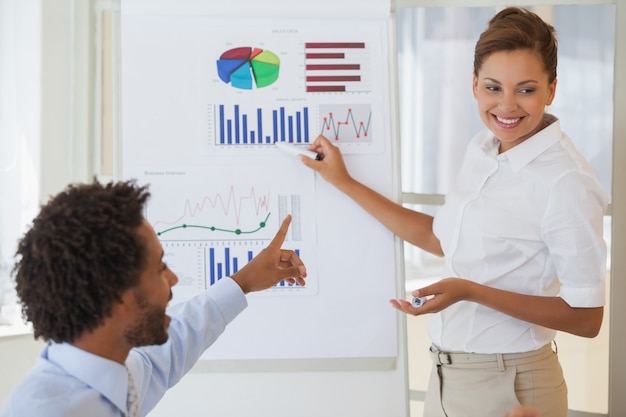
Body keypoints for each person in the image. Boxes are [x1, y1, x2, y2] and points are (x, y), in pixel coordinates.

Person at [300, 6, 607, 417]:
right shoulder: (483, 148)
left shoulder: (565, 181)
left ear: (551, 90)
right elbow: (437, 237)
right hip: (447, 377)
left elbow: (587, 319)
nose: (508, 106)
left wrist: (471, 290)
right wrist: (344, 182)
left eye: (526, 89)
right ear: (474, 84)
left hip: (514, 384)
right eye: (494, 88)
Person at [0, 178, 307, 417]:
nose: (173, 278)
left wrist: (243, 282)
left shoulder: (117, 366)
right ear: (116, 297)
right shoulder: (44, 410)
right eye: (160, 268)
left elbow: (172, 345)